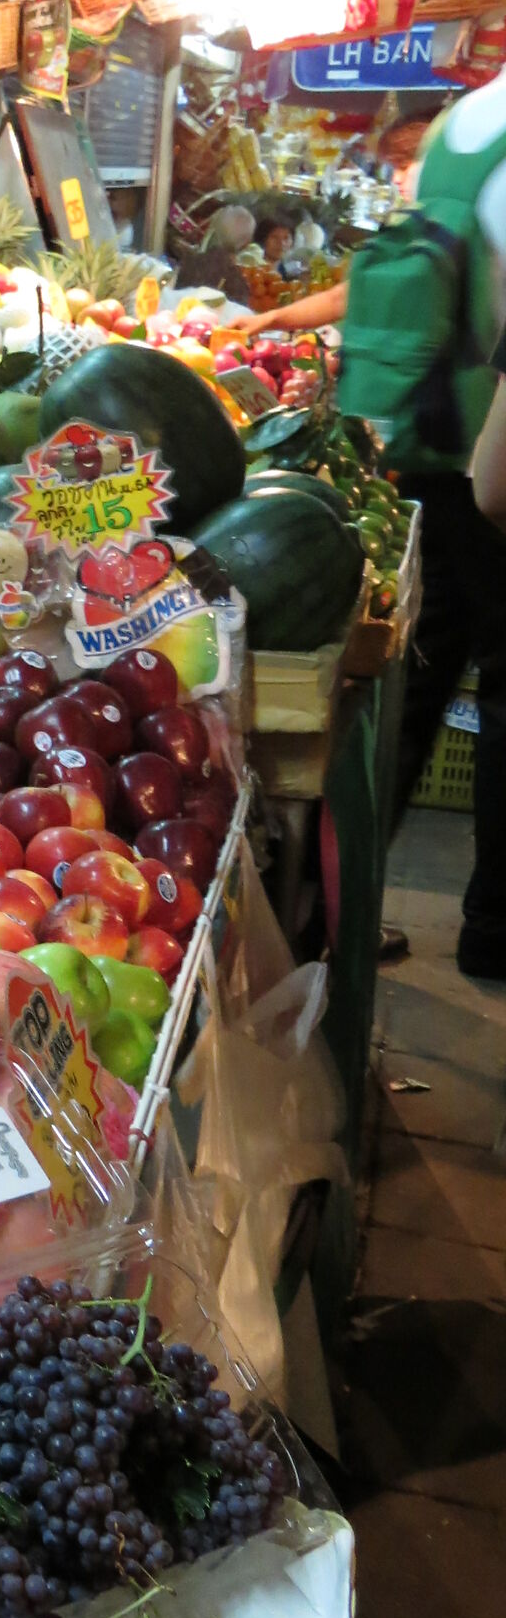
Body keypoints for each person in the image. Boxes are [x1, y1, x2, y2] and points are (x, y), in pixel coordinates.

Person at [266, 78, 506, 980]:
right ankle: (492, 925)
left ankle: (323, 908)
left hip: (429, 432)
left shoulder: (466, 123)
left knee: (418, 673)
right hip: (486, 448)